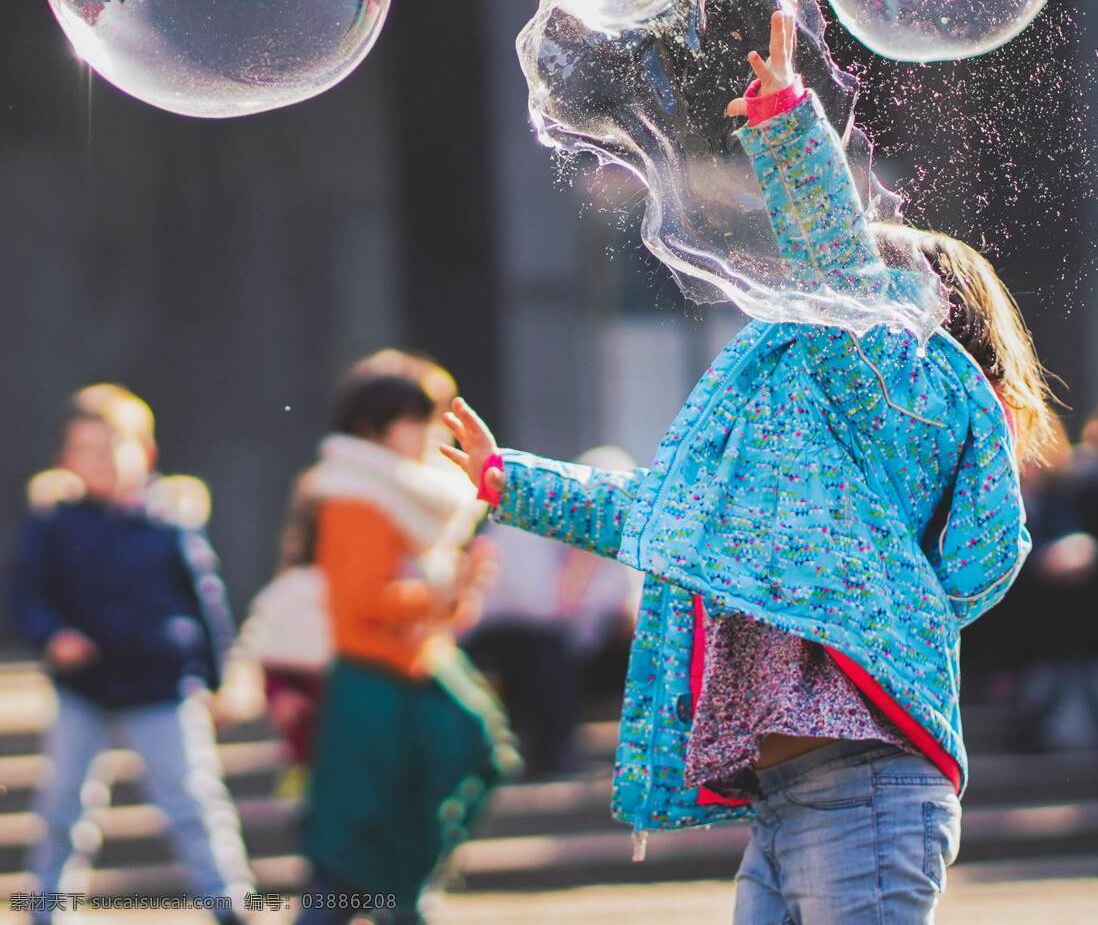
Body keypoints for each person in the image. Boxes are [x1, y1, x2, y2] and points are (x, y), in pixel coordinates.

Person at [443, 9, 1054, 924]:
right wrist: (508, 480)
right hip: (786, 796)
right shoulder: (797, 483)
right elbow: (655, 513)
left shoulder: (894, 390)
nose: (803, 305)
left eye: (844, 296)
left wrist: (787, 124)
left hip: (868, 788)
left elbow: (841, 273)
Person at [8, 387, 253, 917]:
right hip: (84, 690)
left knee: (193, 800)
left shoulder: (170, 524)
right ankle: (47, 906)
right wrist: (53, 635)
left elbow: (207, 601)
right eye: (87, 450)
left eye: (113, 447)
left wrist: (219, 677)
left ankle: (227, 898)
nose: (101, 461)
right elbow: (30, 595)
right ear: (66, 461)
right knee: (63, 806)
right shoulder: (54, 526)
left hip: (162, 687)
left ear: (145, 452)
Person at [299, 351, 517, 925]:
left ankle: (407, 896)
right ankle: (405, 898)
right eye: (419, 416)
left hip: (410, 669)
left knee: (388, 823)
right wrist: (447, 594)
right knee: (356, 838)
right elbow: (362, 599)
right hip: (376, 679)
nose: (429, 430)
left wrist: (457, 592)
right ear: (376, 425)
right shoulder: (356, 494)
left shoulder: (404, 492)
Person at [468, 445, 641, 776]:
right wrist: (584, 559)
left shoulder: (617, 536)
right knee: (546, 652)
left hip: (576, 644)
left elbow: (631, 611)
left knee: (653, 649)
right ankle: (552, 756)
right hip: (507, 640)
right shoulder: (525, 522)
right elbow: (545, 611)